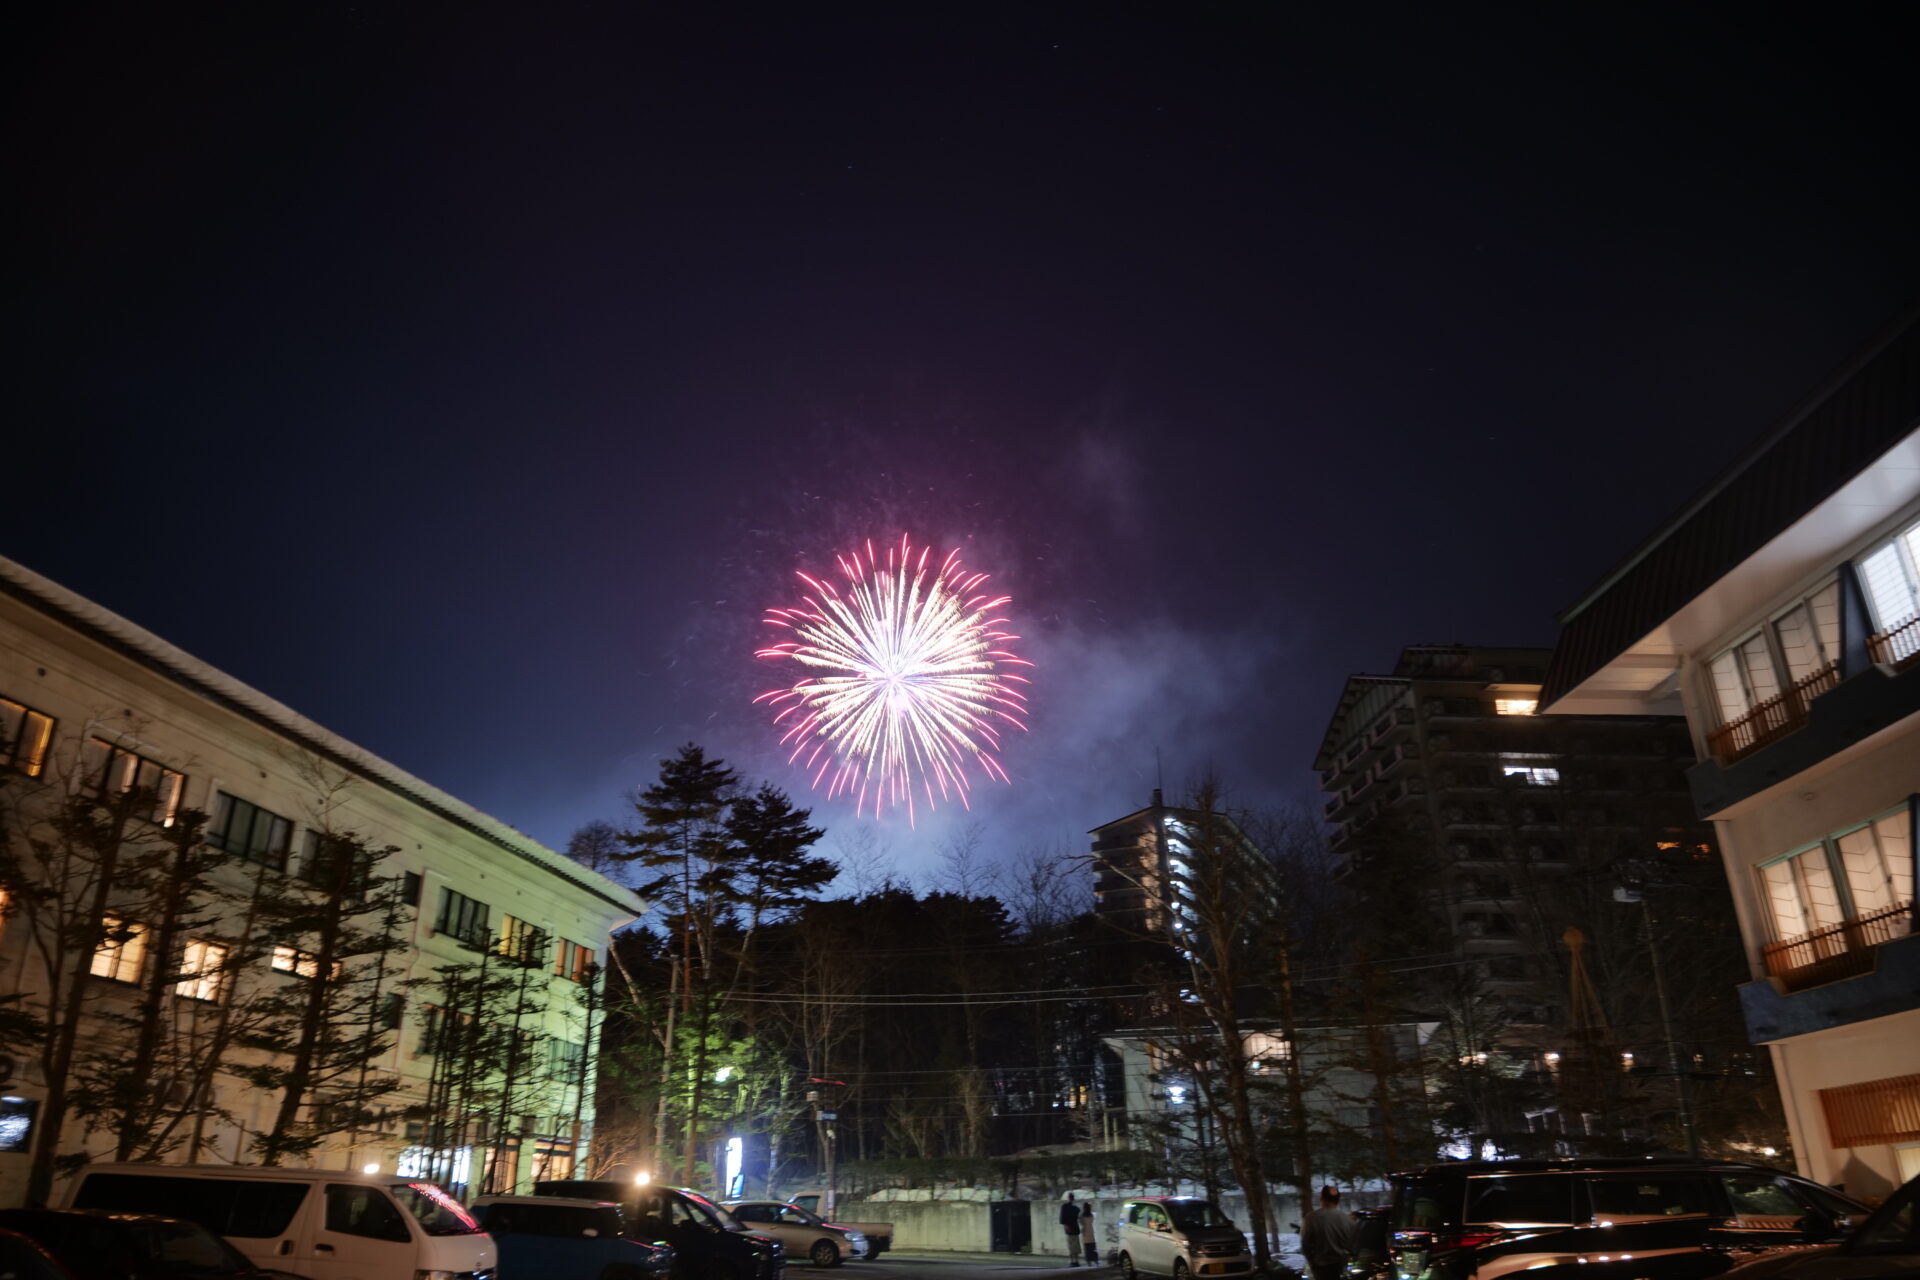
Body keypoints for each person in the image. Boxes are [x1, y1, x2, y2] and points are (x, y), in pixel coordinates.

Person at [1300, 1185, 1355, 1280]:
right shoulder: (1347, 1219)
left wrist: (1312, 1264)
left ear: (1321, 1198)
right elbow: (1353, 1245)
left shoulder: (1312, 1218)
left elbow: (1305, 1245)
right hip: (1342, 1268)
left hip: (1321, 1269)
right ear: (1338, 1200)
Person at [1060, 1193, 1083, 1266]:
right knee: (1075, 1246)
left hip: (1070, 1229)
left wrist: (1066, 1226)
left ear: (1068, 1198)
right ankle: (1076, 1261)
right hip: (1075, 1229)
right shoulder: (1076, 1208)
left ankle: (1073, 1261)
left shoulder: (1065, 1207)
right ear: (1073, 1198)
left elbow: (1062, 1218)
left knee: (1071, 1246)